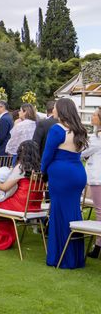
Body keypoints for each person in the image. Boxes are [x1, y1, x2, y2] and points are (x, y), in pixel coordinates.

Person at [41, 98, 89, 269]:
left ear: (60, 110)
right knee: (73, 212)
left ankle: (61, 257)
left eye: (54, 108)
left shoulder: (57, 129)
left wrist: (42, 171)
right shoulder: (79, 129)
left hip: (61, 174)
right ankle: (75, 257)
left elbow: (47, 155)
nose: (53, 110)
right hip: (78, 173)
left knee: (59, 214)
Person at [0, 140, 43, 250]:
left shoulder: (21, 167)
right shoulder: (39, 169)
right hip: (34, 206)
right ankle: (3, 237)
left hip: (20, 204)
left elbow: (5, 187)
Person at [81, 107, 101, 259]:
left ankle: (98, 247)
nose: (92, 116)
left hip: (97, 178)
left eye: (94, 115)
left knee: (99, 212)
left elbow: (82, 152)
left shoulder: (96, 138)